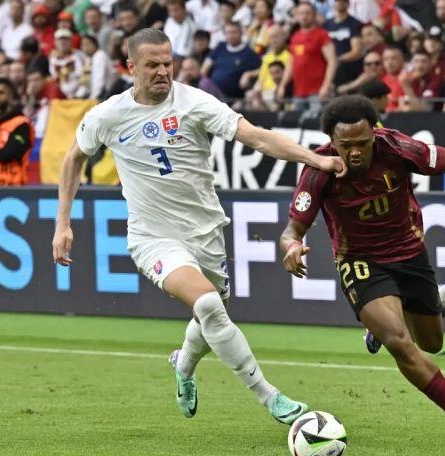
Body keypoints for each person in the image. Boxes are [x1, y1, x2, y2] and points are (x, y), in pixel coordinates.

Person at [51, 29, 346, 425]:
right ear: (131, 68)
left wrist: (316, 160)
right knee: (207, 304)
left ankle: (183, 365)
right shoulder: (107, 115)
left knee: (211, 316)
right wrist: (62, 223)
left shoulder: (194, 103)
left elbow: (257, 138)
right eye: (152, 65)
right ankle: (270, 397)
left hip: (206, 233)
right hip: (152, 238)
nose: (162, 71)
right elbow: (73, 160)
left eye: (167, 63)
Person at [279, 95, 445, 447]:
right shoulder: (318, 169)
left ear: (374, 133)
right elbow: (290, 232)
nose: (355, 152)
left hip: (409, 254)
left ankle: (383, 322)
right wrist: (293, 248)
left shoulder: (398, 148)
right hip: (359, 261)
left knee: (431, 343)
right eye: (346, 146)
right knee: (400, 344)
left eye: (362, 143)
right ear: (332, 140)